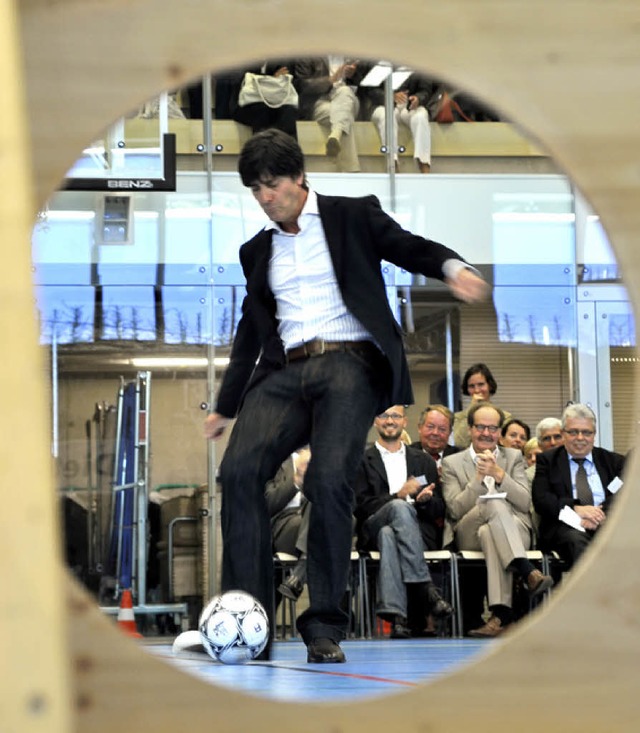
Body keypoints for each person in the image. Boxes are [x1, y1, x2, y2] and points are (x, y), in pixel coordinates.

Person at [204, 128, 488, 664]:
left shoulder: (351, 215)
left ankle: (323, 625)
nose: (265, 197)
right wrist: (226, 404)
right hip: (285, 371)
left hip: (349, 364)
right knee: (238, 472)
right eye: (255, 189)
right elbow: (250, 330)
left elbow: (408, 247)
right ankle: (247, 621)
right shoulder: (256, 251)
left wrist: (453, 267)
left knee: (330, 479)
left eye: (272, 184)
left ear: (299, 176)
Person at [441, 401, 553, 637]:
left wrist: (500, 475)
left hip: (514, 528)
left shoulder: (513, 457)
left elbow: (524, 502)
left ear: (499, 432)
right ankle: (525, 569)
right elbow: (454, 510)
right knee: (492, 503)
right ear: (470, 429)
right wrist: (479, 479)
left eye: (493, 428)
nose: (486, 433)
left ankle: (500, 614)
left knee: (490, 532)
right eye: (481, 427)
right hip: (469, 531)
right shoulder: (452, 462)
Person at [353, 405, 452, 638]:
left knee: (389, 535)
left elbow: (440, 508)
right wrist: (398, 496)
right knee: (398, 507)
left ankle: (397, 617)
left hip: (416, 531)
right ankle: (425, 588)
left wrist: (425, 501)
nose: (390, 420)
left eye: (395, 416)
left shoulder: (423, 461)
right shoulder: (361, 460)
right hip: (373, 527)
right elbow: (361, 506)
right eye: (384, 415)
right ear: (375, 421)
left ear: (405, 422)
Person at [532, 403, 625, 570]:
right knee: (577, 540)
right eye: (573, 432)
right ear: (563, 434)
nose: (580, 438)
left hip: (606, 524)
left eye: (586, 432)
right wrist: (576, 509)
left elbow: (623, 494)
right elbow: (542, 500)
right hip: (565, 528)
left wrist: (599, 515)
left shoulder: (613, 461)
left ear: (594, 434)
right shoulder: (548, 461)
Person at [292, 56, 365, 171]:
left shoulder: (351, 55)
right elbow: (302, 86)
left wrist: (353, 75)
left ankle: (336, 133)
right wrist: (330, 80)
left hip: (348, 100)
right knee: (344, 117)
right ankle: (350, 170)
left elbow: (368, 86)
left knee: (345, 91)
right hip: (320, 102)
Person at [360, 68, 435, 173]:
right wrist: (391, 96)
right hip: (383, 105)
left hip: (409, 106)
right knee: (387, 116)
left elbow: (425, 90)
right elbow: (370, 90)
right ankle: (393, 165)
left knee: (421, 116)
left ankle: (424, 166)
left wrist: (418, 98)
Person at [265, 448, 311, 601]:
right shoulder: (274, 460)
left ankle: (298, 575)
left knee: (324, 507)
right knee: (329, 528)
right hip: (286, 526)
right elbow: (269, 504)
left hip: (316, 525)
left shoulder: (322, 460)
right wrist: (297, 478)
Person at [233, 60, 299, 140]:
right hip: (249, 102)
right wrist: (271, 77)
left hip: (278, 100)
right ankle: (261, 145)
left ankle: (288, 146)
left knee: (289, 111)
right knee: (261, 110)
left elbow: (288, 76)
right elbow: (237, 75)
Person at [452, 363, 511, 449]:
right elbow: (459, 443)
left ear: (490, 386)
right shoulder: (459, 417)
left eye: (481, 384)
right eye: (471, 386)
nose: (476, 390)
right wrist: (472, 409)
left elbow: (505, 445)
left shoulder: (505, 417)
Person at [410, 404, 460, 470]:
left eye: (442, 429)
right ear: (420, 428)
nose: (435, 433)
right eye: (430, 427)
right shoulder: (407, 455)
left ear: (450, 432)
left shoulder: (458, 457)